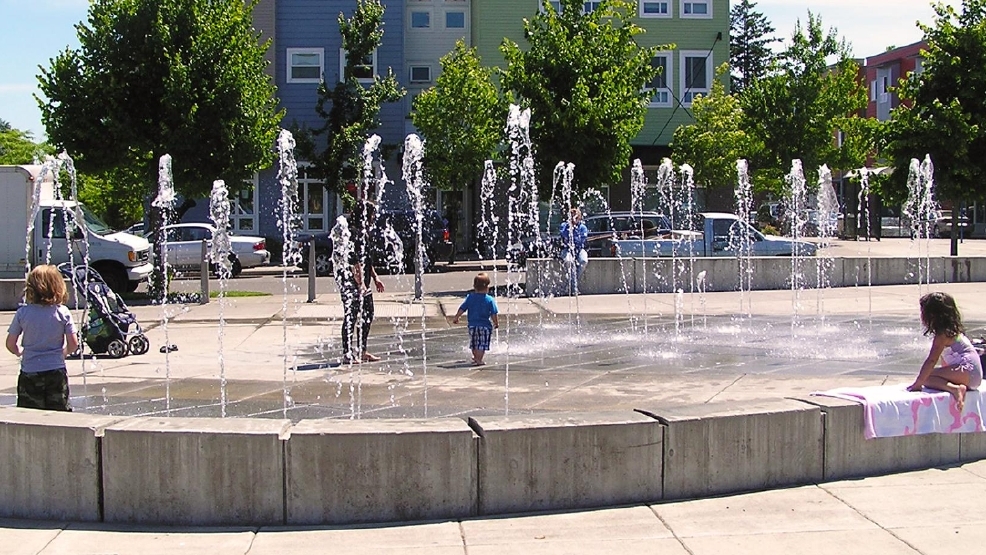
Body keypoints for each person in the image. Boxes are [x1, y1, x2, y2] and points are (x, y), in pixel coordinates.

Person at [5, 265, 78, 411]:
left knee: (29, 414)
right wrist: (64, 353)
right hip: (56, 371)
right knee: (60, 413)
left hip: (30, 372)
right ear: (58, 286)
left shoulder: (23, 313)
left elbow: (10, 343)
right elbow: (73, 344)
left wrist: (19, 352)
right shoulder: (62, 312)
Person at [907, 292, 982, 410]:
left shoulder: (942, 335)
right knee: (930, 376)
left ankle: (955, 389)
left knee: (926, 376)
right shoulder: (953, 331)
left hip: (968, 372)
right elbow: (946, 362)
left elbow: (931, 360)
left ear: (932, 315)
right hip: (973, 375)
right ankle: (955, 387)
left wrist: (918, 384)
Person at [340, 201, 385, 364]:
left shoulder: (365, 234)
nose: (374, 217)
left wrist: (375, 277)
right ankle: (347, 353)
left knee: (368, 313)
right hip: (351, 283)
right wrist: (360, 284)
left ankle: (362, 350)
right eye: (372, 214)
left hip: (363, 282)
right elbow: (354, 261)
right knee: (351, 316)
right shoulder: (353, 233)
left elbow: (367, 260)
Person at [452, 272, 499, 366]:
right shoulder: (489, 300)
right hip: (485, 326)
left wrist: (457, 317)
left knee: (474, 343)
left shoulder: (470, 297)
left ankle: (475, 357)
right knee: (482, 344)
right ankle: (479, 359)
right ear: (487, 288)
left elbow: (462, 308)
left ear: (474, 286)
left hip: (472, 325)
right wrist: (496, 323)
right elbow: (494, 313)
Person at [558, 208, 589, 295]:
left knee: (583, 261)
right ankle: (574, 287)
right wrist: (570, 227)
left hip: (579, 249)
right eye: (571, 216)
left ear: (579, 217)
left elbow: (580, 241)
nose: (573, 218)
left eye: (575, 216)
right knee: (568, 261)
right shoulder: (564, 226)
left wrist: (574, 229)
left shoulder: (583, 227)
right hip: (566, 249)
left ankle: (572, 282)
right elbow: (564, 237)